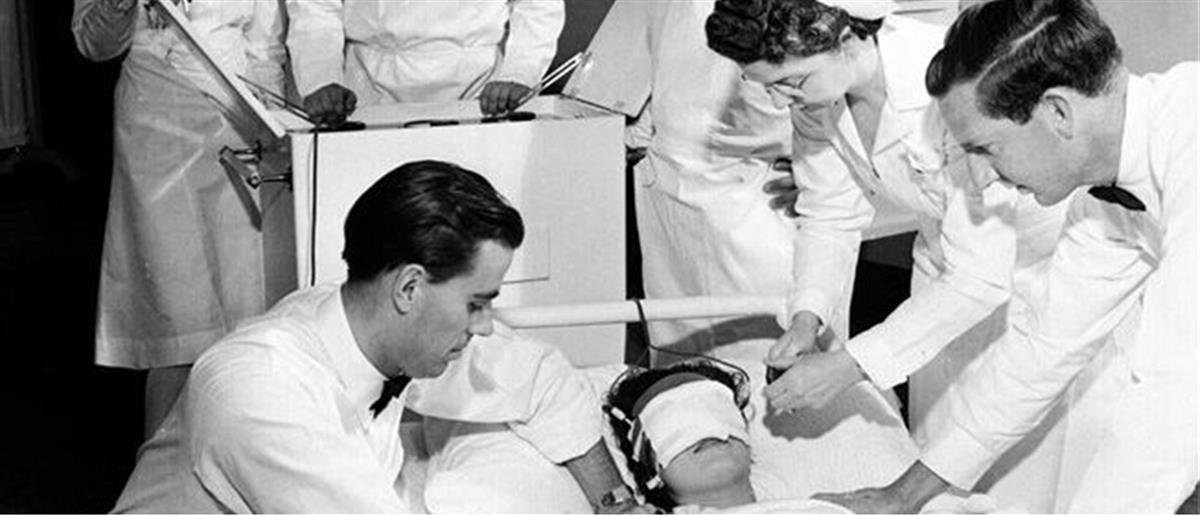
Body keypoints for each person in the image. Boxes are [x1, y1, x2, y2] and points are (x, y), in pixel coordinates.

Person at [705, 0, 1112, 510]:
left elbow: (982, 277)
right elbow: (830, 213)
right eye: (767, 86)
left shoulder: (954, 85)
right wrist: (807, 316)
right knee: (941, 464)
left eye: (791, 81)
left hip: (1039, 281)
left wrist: (851, 365)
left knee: (1034, 476)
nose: (780, 98)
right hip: (943, 282)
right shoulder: (818, 100)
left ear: (847, 40)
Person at [815, 0, 1198, 512]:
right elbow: (1042, 353)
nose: (979, 178)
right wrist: (901, 497)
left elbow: (1172, 401)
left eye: (985, 149)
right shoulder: (1101, 203)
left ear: (1057, 112)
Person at [111, 160, 641, 513]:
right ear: (409, 287)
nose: (484, 325)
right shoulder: (258, 392)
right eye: (476, 303)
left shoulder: (374, 325)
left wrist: (616, 505)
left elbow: (543, 379)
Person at [73, 0, 288, 437]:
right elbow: (93, 43)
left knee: (250, 310)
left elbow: (266, 45)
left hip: (240, 118)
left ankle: (244, 458)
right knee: (179, 317)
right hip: (156, 120)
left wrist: (273, 127)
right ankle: (162, 468)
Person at [609, 0, 806, 358]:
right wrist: (638, 134)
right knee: (683, 361)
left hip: (759, 189)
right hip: (673, 183)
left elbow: (848, 65)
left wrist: (823, 165)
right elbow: (660, 42)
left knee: (769, 354)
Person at [286, 0, 565, 123]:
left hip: (481, 90)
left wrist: (519, 73)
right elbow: (315, 8)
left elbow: (538, 6)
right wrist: (321, 79)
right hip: (368, 90)